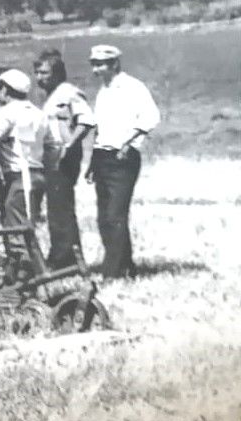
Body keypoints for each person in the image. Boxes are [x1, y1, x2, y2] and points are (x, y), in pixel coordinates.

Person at [86, 44, 160, 278]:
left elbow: (151, 117)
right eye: (94, 65)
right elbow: (100, 130)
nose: (96, 70)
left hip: (123, 158)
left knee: (115, 215)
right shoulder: (103, 92)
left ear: (114, 64)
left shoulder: (133, 87)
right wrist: (92, 162)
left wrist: (128, 144)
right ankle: (125, 265)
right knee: (104, 216)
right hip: (103, 156)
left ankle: (114, 272)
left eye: (100, 64)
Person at [0, 69, 47, 280]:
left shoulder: (8, 113)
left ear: (4, 89)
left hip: (18, 178)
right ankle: (22, 275)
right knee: (26, 228)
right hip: (36, 175)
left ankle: (26, 278)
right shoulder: (36, 112)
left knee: (16, 231)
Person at [33, 50, 95, 268]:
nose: (39, 78)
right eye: (37, 73)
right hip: (51, 153)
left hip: (62, 153)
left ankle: (65, 259)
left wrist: (71, 145)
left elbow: (86, 121)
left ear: (58, 73)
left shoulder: (69, 93)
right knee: (55, 207)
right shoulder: (52, 96)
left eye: (44, 73)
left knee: (61, 207)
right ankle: (63, 255)